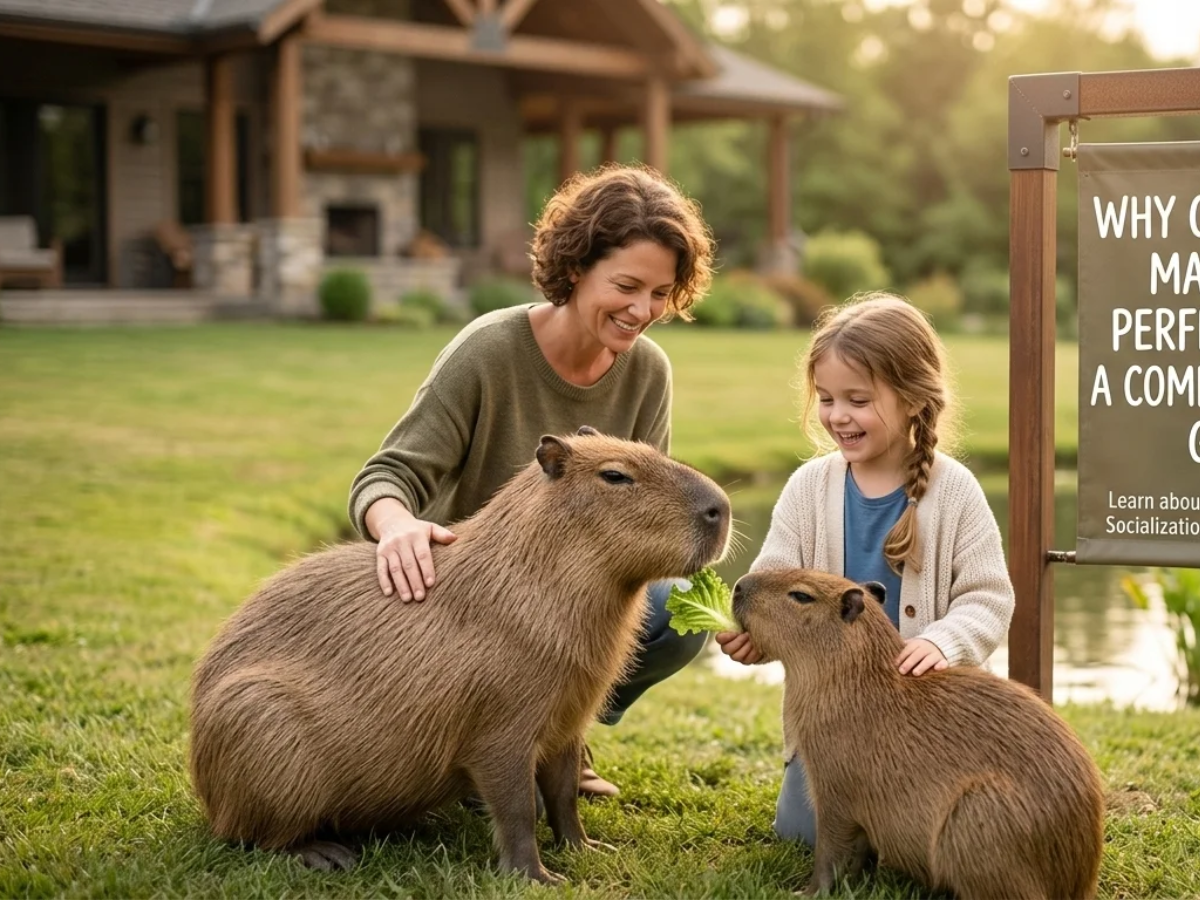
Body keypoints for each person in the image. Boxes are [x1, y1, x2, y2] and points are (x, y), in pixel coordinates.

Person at [348, 164, 716, 799]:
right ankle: (479, 733)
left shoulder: (647, 371)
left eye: (659, 294)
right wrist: (398, 526)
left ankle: (551, 735)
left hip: (565, 598)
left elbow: (648, 512)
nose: (641, 311)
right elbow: (387, 475)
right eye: (626, 285)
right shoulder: (489, 350)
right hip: (466, 601)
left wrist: (721, 605)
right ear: (575, 268)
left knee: (676, 614)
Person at [715, 293, 1015, 845]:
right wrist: (755, 633)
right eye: (827, 399)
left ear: (913, 400)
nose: (837, 416)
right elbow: (776, 576)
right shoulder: (810, 487)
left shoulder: (955, 493)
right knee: (802, 833)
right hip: (837, 726)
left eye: (858, 399)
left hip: (929, 726)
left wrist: (945, 642)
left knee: (912, 836)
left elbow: (989, 598)